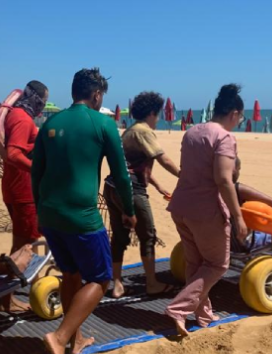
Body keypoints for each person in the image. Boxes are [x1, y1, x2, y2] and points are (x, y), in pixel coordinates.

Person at [32, 67, 136, 354]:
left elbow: (36, 172)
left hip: (50, 213)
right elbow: (121, 176)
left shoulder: (50, 122)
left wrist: (42, 210)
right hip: (82, 216)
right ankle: (60, 337)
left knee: (72, 275)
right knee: (101, 279)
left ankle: (76, 339)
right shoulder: (103, 123)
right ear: (96, 95)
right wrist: (129, 211)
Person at [165, 84, 248, 337]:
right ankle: (179, 309)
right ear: (234, 113)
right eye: (241, 118)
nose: (240, 122)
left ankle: (203, 313)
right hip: (205, 210)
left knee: (196, 262)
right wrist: (238, 216)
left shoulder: (191, 132)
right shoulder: (224, 137)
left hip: (181, 206)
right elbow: (224, 180)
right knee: (218, 264)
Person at [104, 91, 179, 298]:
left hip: (112, 186)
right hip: (131, 190)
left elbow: (133, 164)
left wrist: (157, 185)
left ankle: (117, 283)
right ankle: (152, 283)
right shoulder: (144, 131)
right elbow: (163, 159)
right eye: (159, 114)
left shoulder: (130, 130)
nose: (159, 118)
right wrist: (184, 175)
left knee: (119, 236)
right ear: (152, 113)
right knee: (148, 235)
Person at [0, 81, 49, 312]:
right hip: (23, 190)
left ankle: (11, 293)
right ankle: (7, 298)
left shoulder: (17, 114)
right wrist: (36, 169)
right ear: (35, 99)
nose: (43, 106)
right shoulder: (22, 118)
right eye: (43, 101)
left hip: (16, 187)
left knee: (22, 242)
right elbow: (13, 153)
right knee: (24, 246)